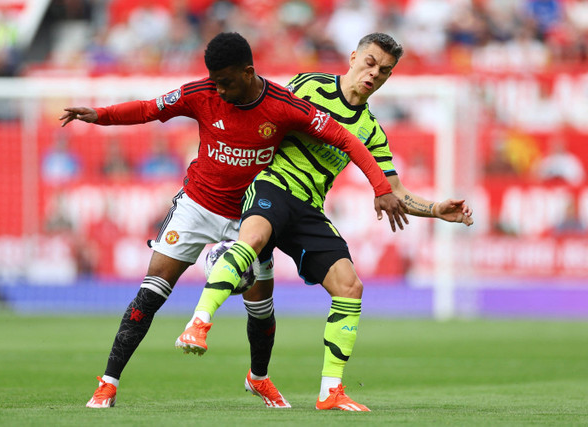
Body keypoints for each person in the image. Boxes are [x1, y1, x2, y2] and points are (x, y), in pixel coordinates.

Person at [58, 32, 407, 409]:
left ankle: (258, 378)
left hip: (251, 212)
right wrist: (101, 116)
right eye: (215, 81)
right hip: (196, 207)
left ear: (247, 72)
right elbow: (149, 109)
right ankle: (107, 384)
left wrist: (380, 187)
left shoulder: (283, 105)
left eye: (225, 81)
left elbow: (347, 140)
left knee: (261, 310)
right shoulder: (201, 93)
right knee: (151, 292)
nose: (219, 89)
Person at [176, 32, 474, 411]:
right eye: (370, 62)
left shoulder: (370, 131)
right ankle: (199, 323)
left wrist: (435, 209)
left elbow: (393, 190)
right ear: (352, 57)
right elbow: (261, 112)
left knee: (350, 286)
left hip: (308, 208)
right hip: (272, 184)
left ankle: (330, 390)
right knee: (250, 245)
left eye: (384, 70)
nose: (374, 73)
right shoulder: (309, 86)